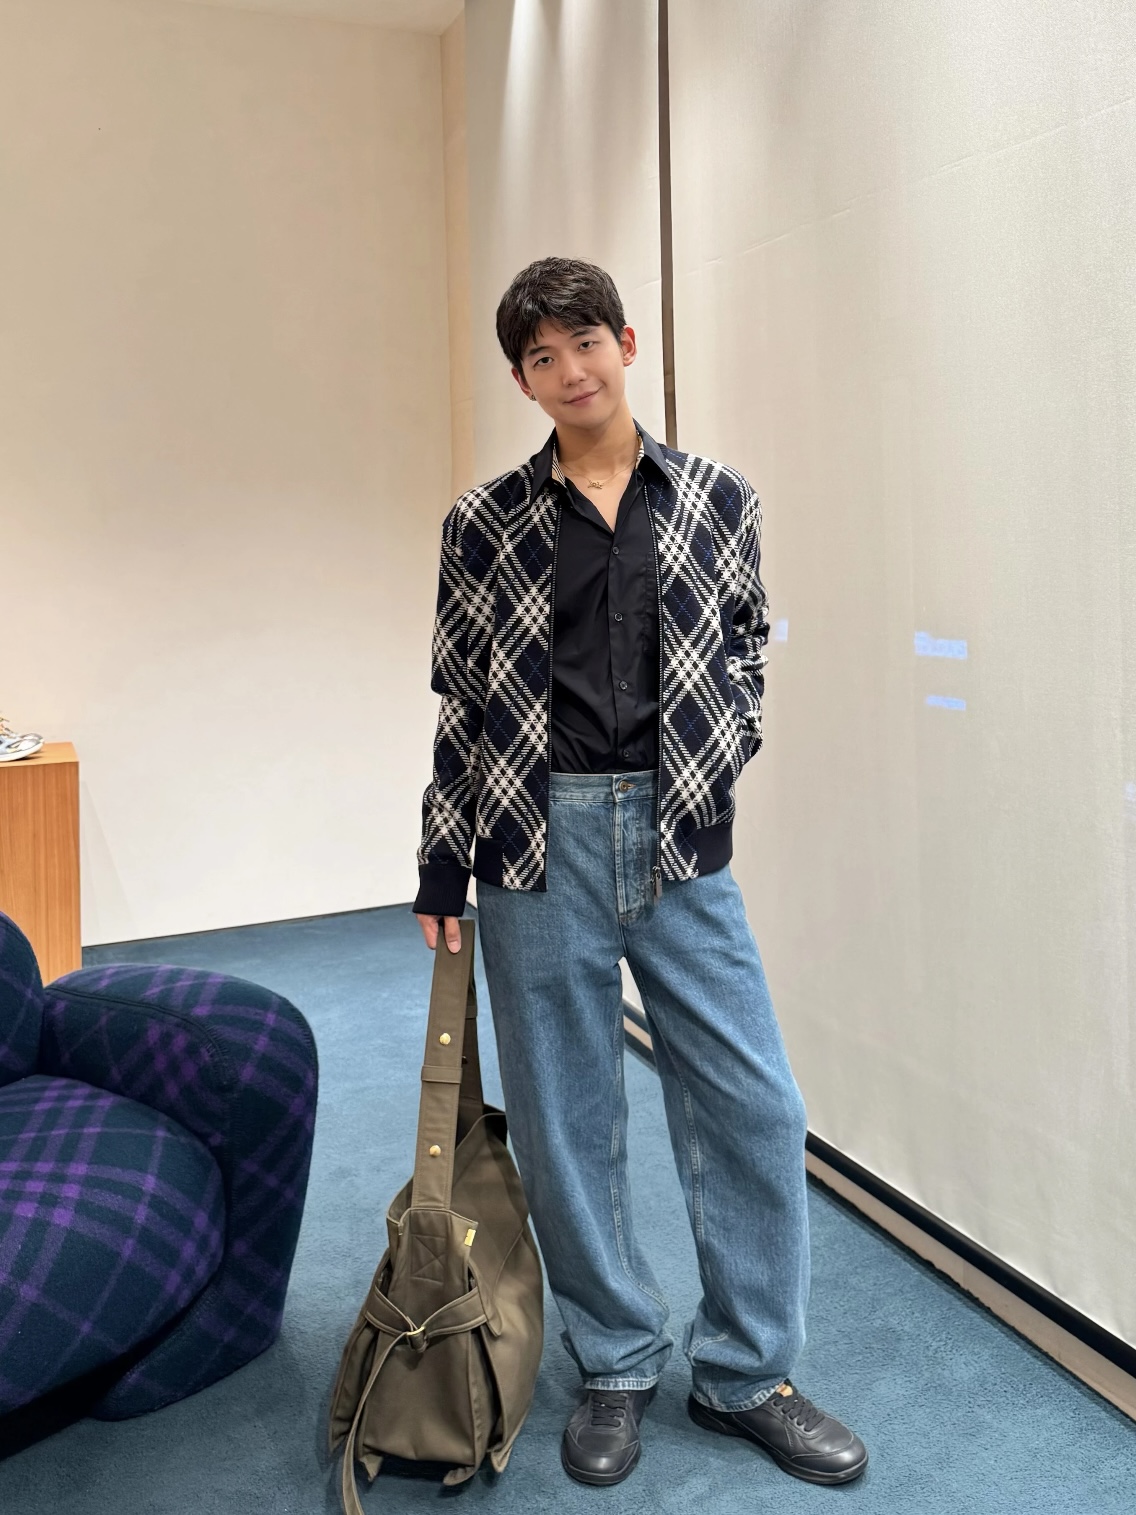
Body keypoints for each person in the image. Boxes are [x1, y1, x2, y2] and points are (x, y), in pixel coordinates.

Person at [412, 256, 867, 1488]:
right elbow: (460, 702)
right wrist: (442, 863)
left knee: (752, 1105)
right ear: (522, 380)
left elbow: (745, 650)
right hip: (531, 839)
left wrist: (720, 758)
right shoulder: (482, 522)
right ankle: (614, 1359)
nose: (569, 371)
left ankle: (746, 1375)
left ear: (625, 343)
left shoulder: (718, 497)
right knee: (567, 1117)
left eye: (584, 344)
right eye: (540, 357)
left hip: (677, 839)